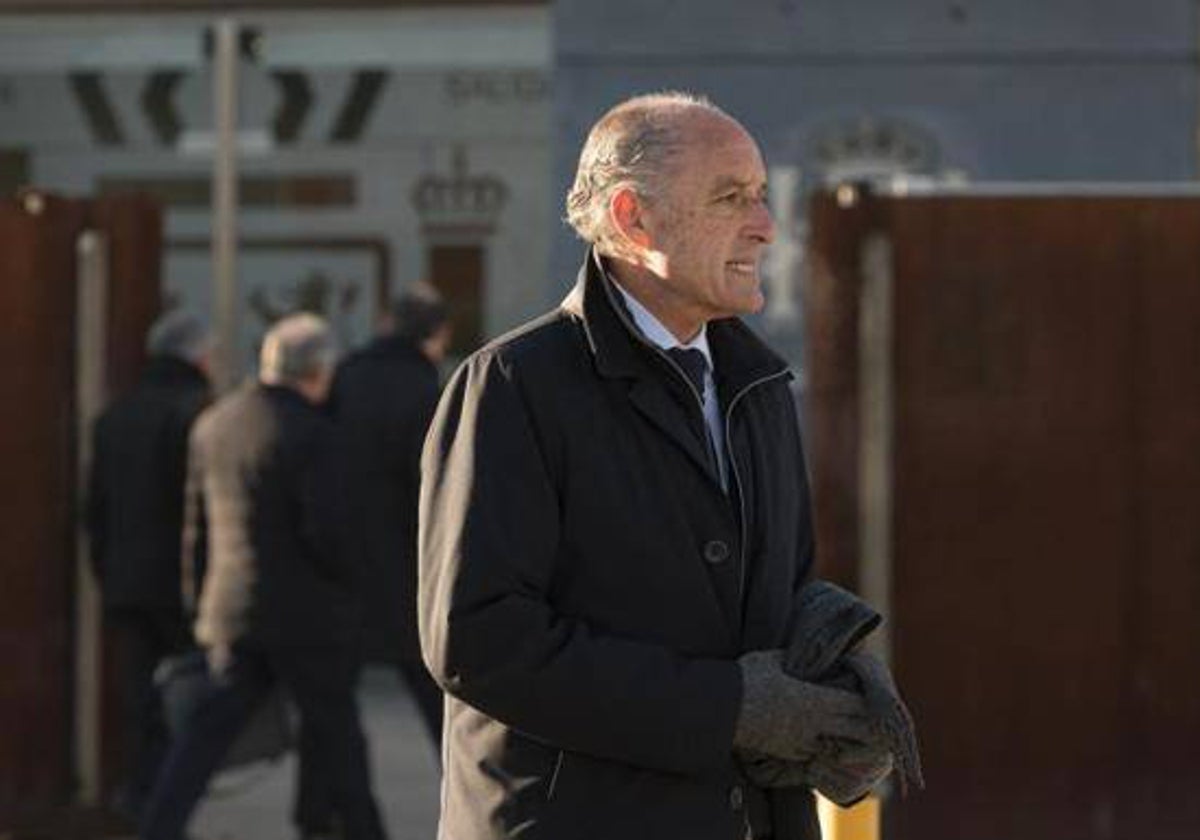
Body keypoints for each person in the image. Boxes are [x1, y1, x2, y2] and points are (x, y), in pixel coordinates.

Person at [418, 92, 895, 840]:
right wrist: (730, 707)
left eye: (763, 197)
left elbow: (778, 592)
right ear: (633, 218)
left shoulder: (758, 388)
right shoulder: (515, 385)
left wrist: (835, 674)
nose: (766, 226)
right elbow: (481, 642)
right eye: (731, 198)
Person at [139, 313, 388, 840]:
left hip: (233, 612)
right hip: (309, 620)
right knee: (338, 738)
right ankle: (360, 831)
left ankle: (158, 828)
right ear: (318, 371)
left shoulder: (215, 423)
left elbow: (195, 529)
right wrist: (356, 588)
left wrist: (197, 606)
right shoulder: (314, 434)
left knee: (204, 738)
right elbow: (328, 532)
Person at [87, 310, 212, 820]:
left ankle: (140, 797)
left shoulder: (116, 414)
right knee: (192, 705)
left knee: (140, 700)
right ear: (197, 354)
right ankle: (159, 806)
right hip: (178, 585)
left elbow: (94, 505)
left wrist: (105, 568)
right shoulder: (195, 411)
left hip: (124, 580)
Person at [330, 286, 452, 749]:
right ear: (437, 335)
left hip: (338, 559)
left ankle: (321, 809)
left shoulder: (344, 378)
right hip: (404, 561)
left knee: (329, 701)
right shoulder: (428, 393)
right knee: (432, 692)